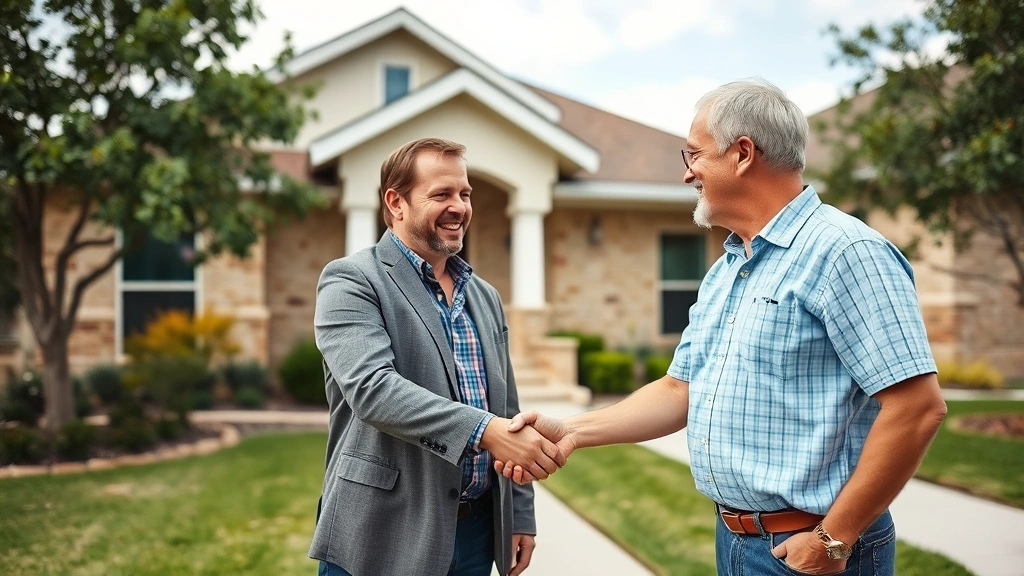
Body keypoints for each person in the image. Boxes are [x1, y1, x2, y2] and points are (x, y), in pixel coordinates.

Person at [496, 80, 947, 576]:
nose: (688, 172)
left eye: (694, 155)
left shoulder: (845, 252)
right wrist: (573, 431)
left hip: (810, 548)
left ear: (742, 154)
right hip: (736, 540)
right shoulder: (728, 267)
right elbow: (679, 389)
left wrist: (832, 540)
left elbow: (917, 407)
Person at [309, 137, 565, 576]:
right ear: (396, 203)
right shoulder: (352, 281)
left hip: (477, 533)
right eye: (441, 194)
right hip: (382, 532)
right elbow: (373, 391)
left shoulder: (484, 296)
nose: (460, 206)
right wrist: (486, 432)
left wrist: (519, 514)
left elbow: (507, 411)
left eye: (465, 194)